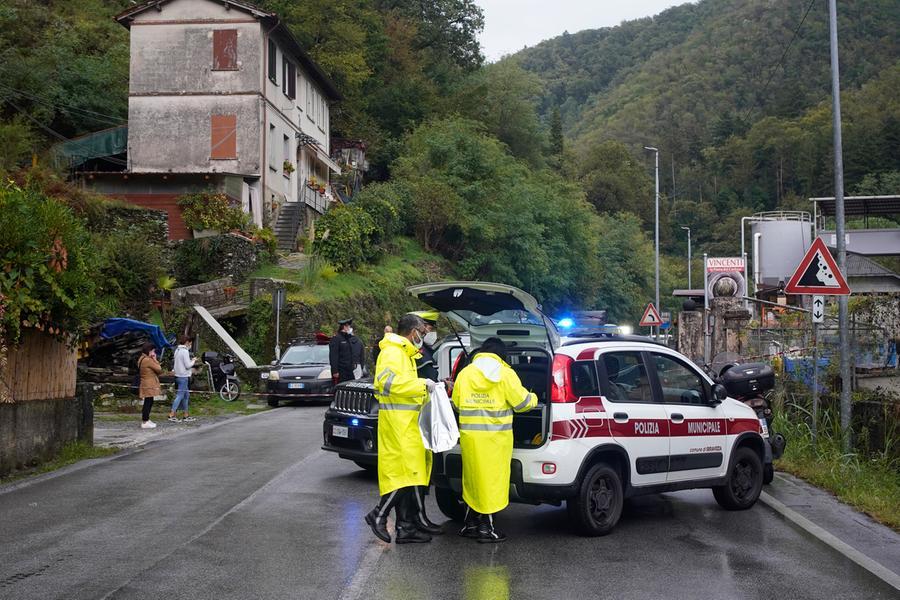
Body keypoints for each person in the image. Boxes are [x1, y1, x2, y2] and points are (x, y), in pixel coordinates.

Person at [364, 314, 443, 544]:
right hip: (398, 424)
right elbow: (386, 383)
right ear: (412, 331)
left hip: (407, 423)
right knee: (405, 476)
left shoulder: (404, 353)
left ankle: (406, 527)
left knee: (413, 473)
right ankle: (379, 514)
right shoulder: (392, 352)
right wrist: (421, 384)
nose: (424, 335)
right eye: (423, 331)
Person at [451, 337, 537, 543]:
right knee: (492, 483)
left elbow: (456, 403)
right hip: (496, 440)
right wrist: (534, 397)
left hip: (471, 439)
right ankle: (486, 528)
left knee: (473, 480)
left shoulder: (466, 372)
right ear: (501, 355)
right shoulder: (506, 374)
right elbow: (522, 403)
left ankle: (470, 524)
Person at [169, 335, 197, 423]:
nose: (190, 345)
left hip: (177, 376)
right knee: (180, 395)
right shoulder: (185, 351)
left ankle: (186, 414)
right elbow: (188, 365)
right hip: (183, 376)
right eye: (190, 343)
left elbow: (176, 363)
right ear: (187, 342)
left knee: (186, 395)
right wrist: (193, 360)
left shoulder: (177, 350)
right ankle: (172, 414)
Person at [329, 318, 364, 383]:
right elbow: (333, 356)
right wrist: (335, 371)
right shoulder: (336, 338)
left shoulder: (348, 338)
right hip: (341, 371)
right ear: (344, 327)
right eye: (348, 326)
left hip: (350, 370)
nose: (350, 328)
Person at [137, 342, 163, 429]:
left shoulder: (142, 358)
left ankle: (147, 419)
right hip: (149, 383)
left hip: (145, 382)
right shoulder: (148, 360)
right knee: (148, 402)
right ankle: (145, 421)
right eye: (153, 351)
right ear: (149, 351)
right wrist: (155, 359)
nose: (154, 353)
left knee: (149, 401)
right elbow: (159, 369)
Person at [409, 311, 439, 380]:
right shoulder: (416, 350)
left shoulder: (423, 347)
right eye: (430, 329)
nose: (431, 333)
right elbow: (429, 377)